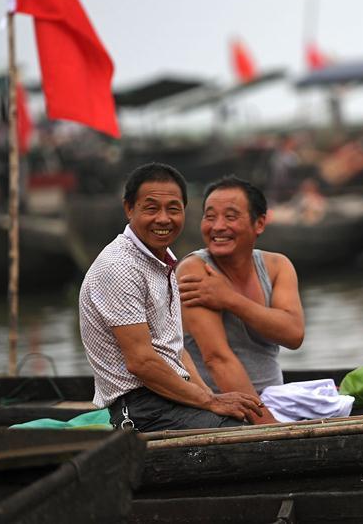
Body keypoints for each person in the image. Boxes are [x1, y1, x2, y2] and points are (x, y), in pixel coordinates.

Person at [79, 163, 263, 431]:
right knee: (236, 432)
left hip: (169, 396)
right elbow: (141, 362)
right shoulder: (119, 265)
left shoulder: (162, 263)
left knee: (238, 418)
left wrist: (211, 398)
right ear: (129, 208)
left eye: (173, 209)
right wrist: (210, 401)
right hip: (141, 409)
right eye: (151, 208)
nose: (163, 219)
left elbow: (175, 349)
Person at [178, 176, 305, 425]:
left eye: (231, 216)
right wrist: (268, 426)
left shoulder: (277, 266)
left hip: (274, 400)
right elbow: (217, 359)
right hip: (220, 408)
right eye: (210, 216)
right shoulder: (195, 271)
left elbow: (293, 334)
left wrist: (230, 299)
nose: (218, 226)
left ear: (259, 223)